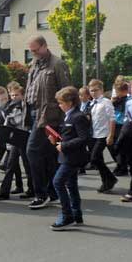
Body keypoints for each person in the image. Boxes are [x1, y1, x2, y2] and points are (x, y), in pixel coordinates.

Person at [23, 35, 71, 210]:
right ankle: (53, 192)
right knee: (48, 156)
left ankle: (40, 194)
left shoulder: (57, 64)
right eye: (31, 50)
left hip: (48, 117)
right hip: (33, 114)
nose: (33, 53)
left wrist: (66, 119)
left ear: (44, 46)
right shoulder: (34, 65)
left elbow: (67, 93)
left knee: (32, 151)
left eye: (35, 50)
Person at [48, 86, 91, 230]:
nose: (59, 106)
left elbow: (84, 138)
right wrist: (56, 141)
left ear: (70, 102)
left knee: (58, 182)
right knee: (71, 186)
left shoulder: (78, 117)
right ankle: (76, 215)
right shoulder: (68, 116)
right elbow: (68, 136)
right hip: (67, 156)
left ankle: (67, 215)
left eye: (61, 102)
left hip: (73, 157)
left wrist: (64, 146)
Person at [0, 83, 32, 199]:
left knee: (27, 165)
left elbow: (18, 120)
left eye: (16, 95)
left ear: (22, 95)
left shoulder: (24, 106)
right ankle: (4, 192)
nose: (14, 97)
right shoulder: (12, 106)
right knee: (10, 165)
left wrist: (9, 117)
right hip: (16, 139)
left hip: (24, 137)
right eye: (12, 95)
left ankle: (32, 189)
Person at [87, 79, 117, 193]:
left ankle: (110, 178)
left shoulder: (106, 102)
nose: (93, 93)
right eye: (91, 91)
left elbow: (112, 119)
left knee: (94, 158)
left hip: (103, 135)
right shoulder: (91, 103)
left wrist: (111, 135)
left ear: (101, 90)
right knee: (98, 159)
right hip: (93, 134)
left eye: (96, 90)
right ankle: (106, 181)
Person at [111, 80, 132, 176]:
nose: (116, 93)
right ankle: (121, 164)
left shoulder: (129, 100)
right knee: (113, 146)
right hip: (115, 124)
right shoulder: (116, 100)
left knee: (120, 146)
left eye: (117, 91)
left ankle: (122, 166)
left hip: (124, 125)